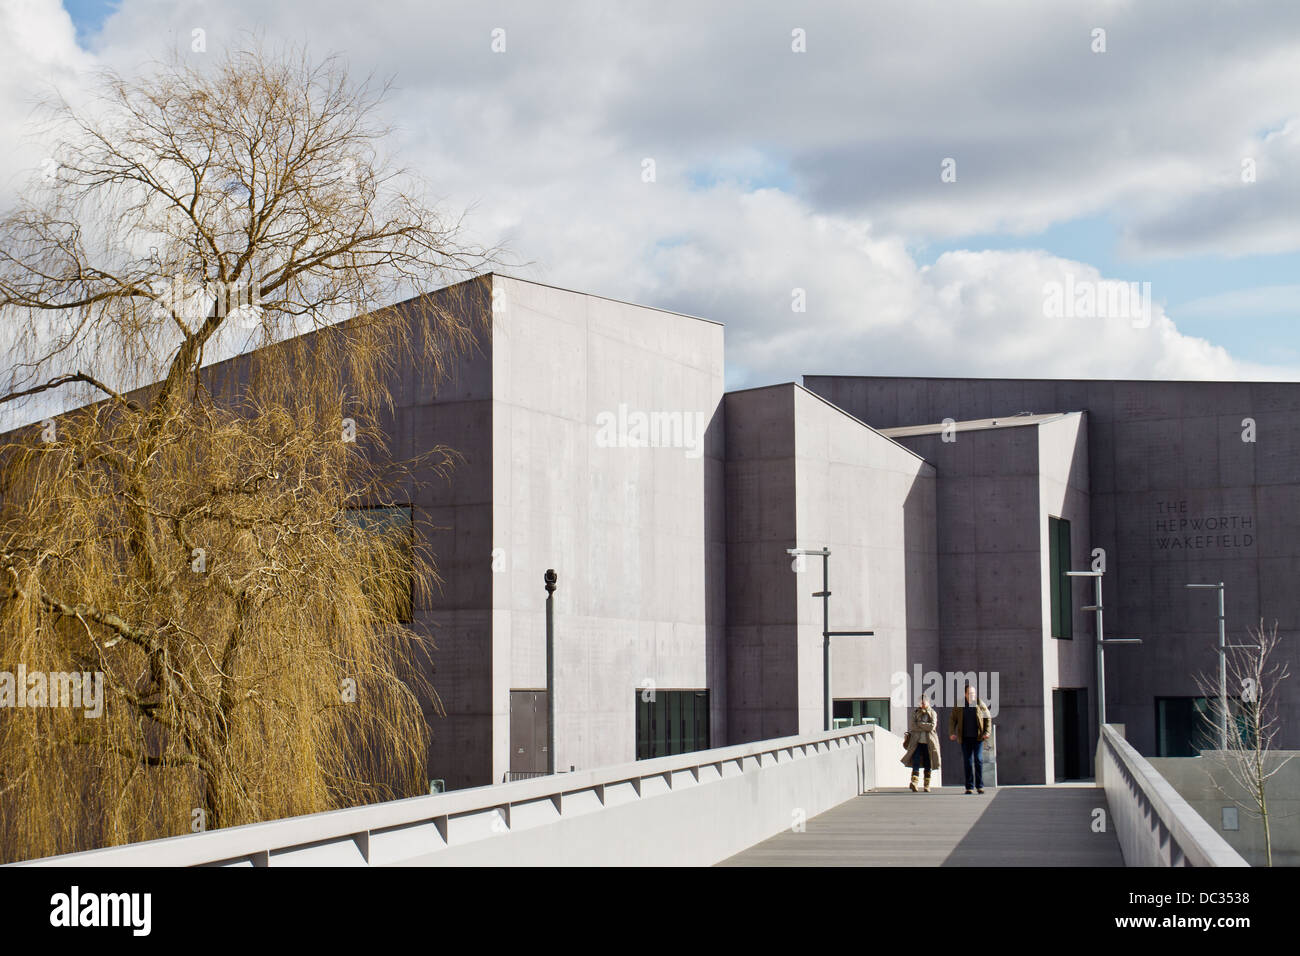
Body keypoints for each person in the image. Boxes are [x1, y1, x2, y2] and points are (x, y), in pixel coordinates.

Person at [948, 684, 992, 794]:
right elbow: (953, 719)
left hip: (978, 738)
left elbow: (988, 718)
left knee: (978, 760)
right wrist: (952, 732)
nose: (972, 695)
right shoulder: (959, 705)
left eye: (974, 693)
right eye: (970, 693)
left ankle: (980, 786)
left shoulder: (980, 704)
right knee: (967, 762)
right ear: (965, 694)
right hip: (965, 738)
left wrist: (987, 732)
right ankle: (969, 787)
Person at [899, 695, 941, 792]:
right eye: (921, 703)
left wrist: (920, 724)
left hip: (929, 742)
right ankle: (914, 782)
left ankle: (927, 784)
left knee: (928, 762)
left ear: (928, 702)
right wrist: (923, 726)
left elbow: (932, 727)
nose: (922, 704)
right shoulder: (915, 712)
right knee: (916, 761)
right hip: (916, 742)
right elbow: (913, 726)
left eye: (924, 703)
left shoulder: (932, 712)